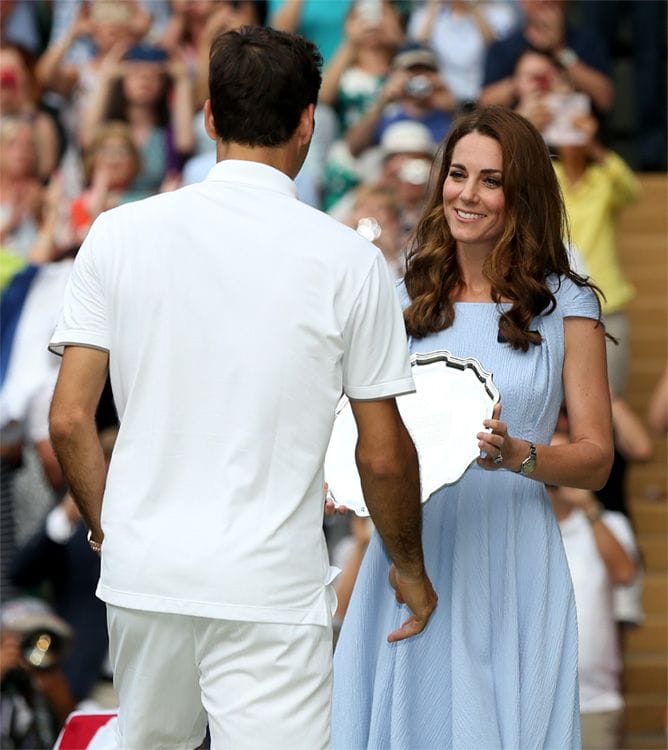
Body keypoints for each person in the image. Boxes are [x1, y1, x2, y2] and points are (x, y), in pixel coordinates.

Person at [48, 25, 436, 750]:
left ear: (209, 117)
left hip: (147, 574)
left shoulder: (116, 233)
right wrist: (409, 568)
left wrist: (113, 529)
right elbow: (382, 457)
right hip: (270, 587)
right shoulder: (350, 262)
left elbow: (70, 420)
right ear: (308, 124)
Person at [332, 106, 614, 749]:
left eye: (491, 180)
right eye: (458, 175)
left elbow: (597, 458)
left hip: (513, 558)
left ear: (522, 195)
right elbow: (361, 429)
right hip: (411, 554)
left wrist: (518, 454)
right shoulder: (400, 294)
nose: (468, 193)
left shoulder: (566, 300)